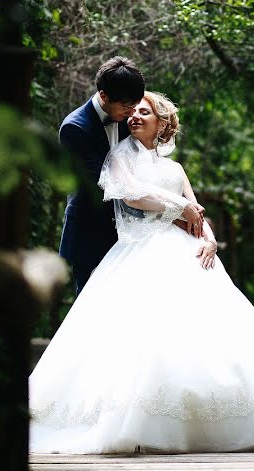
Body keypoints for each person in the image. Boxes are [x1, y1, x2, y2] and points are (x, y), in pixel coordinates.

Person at [30, 92, 254, 454]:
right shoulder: (118, 157)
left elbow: (197, 214)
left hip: (183, 250)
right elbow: (131, 195)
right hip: (137, 251)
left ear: (162, 123)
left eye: (143, 112)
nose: (134, 117)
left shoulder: (175, 169)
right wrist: (180, 205)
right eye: (132, 112)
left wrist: (210, 239)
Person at [57, 57, 203, 294]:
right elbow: (112, 187)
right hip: (91, 229)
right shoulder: (75, 129)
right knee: (91, 306)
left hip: (136, 236)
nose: (131, 114)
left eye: (135, 106)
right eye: (127, 107)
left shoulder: (127, 118)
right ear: (104, 96)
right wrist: (174, 212)